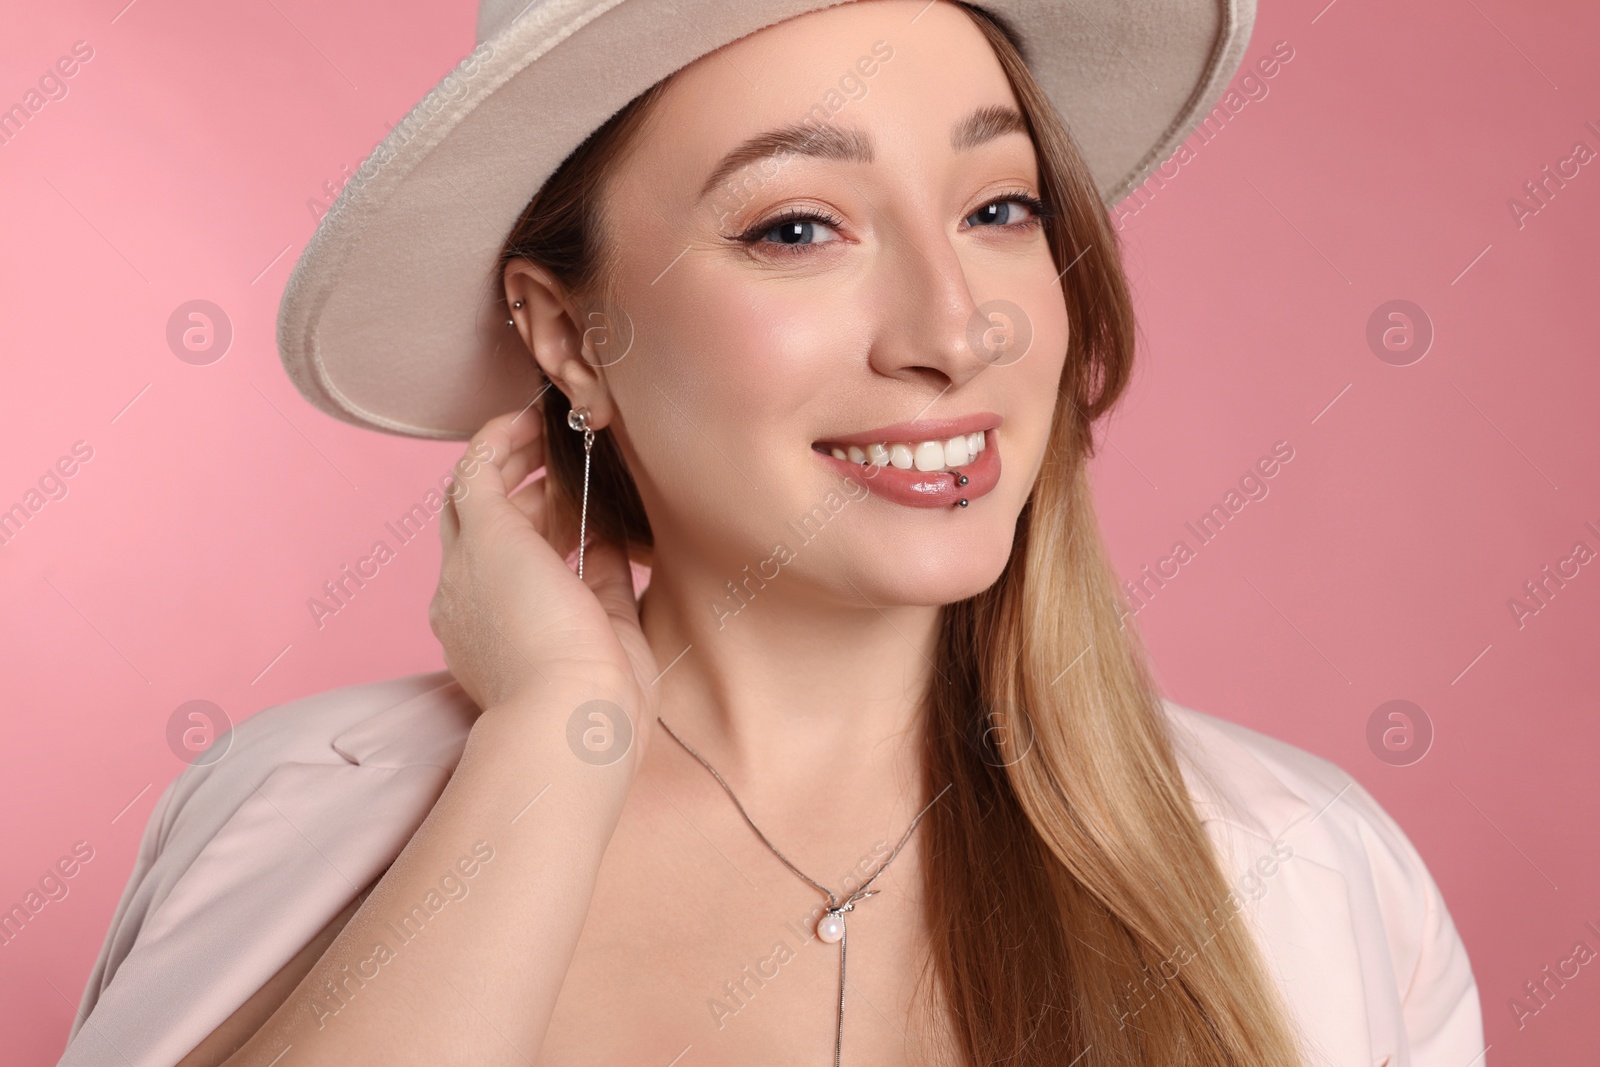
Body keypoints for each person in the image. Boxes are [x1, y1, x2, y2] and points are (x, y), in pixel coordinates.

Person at [57, 1, 1485, 1064]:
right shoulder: (299, 815)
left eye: (998, 207)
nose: (955, 327)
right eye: (798, 227)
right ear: (571, 334)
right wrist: (556, 741)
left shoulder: (1302, 875)